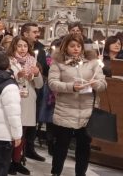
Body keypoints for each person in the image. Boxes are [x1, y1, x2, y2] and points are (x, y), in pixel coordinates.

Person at [48, 33, 106, 176]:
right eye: (72, 46)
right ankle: (56, 172)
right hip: (65, 110)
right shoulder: (58, 63)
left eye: (79, 46)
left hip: (87, 112)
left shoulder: (93, 62)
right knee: (61, 146)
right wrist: (71, 87)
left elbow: (103, 83)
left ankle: (81, 173)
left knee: (84, 147)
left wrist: (95, 84)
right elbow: (52, 83)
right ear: (65, 47)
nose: (76, 49)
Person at [6, 36, 43, 175]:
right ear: (14, 47)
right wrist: (17, 75)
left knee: (22, 134)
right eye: (20, 46)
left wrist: (37, 73)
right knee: (12, 133)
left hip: (28, 101)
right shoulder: (9, 61)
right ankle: (7, 161)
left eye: (25, 46)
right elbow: (4, 78)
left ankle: (16, 161)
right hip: (14, 99)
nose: (22, 49)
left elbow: (39, 85)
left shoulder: (33, 61)